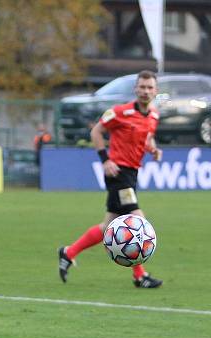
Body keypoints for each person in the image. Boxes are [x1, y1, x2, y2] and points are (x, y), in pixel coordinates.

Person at [57, 70, 163, 288]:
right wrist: (105, 160)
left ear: (156, 91)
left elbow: (145, 136)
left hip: (132, 173)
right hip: (118, 173)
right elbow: (96, 132)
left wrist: (152, 148)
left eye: (149, 87)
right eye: (142, 87)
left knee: (108, 226)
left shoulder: (153, 116)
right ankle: (139, 275)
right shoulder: (119, 112)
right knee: (138, 222)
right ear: (135, 89)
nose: (145, 91)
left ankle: (68, 253)